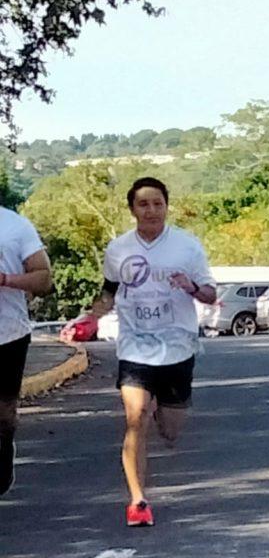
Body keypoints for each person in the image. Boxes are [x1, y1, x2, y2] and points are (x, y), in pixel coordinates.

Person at [91, 177, 216, 526]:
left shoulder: (187, 246)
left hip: (177, 346)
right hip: (135, 346)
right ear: (132, 209)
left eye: (157, 203)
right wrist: (93, 315)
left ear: (166, 206)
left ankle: (163, 407)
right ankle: (138, 501)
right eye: (143, 204)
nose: (151, 210)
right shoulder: (118, 248)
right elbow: (109, 290)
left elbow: (209, 294)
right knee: (136, 418)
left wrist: (191, 286)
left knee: (171, 431)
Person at [0, 206, 53, 494]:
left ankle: (3, 452)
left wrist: (6, 280)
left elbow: (44, 278)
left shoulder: (15, 226)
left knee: (3, 413)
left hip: (8, 335)